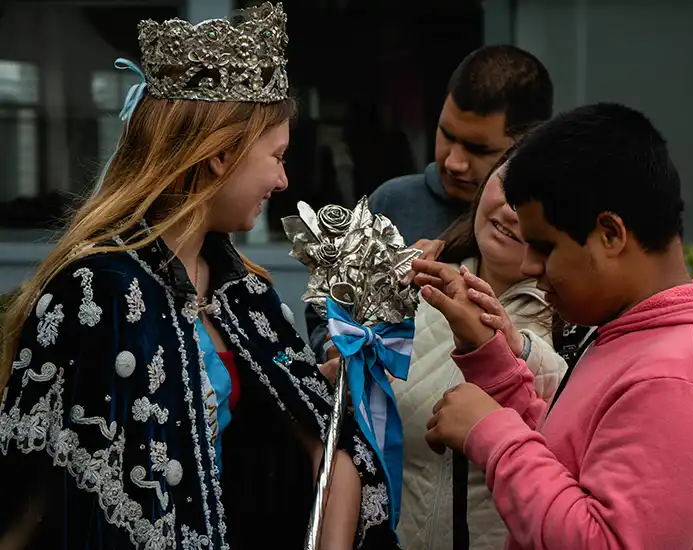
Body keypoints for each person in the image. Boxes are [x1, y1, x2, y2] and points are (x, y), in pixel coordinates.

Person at [0, 4, 397, 549]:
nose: (283, 180)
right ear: (220, 156)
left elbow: (325, 450)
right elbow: (34, 499)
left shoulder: (247, 293)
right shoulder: (97, 292)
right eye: (276, 156)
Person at [414, 103, 693, 550]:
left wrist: (493, 433)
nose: (530, 266)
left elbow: (604, 541)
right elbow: (572, 463)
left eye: (544, 247)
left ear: (610, 234)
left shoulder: (682, 379)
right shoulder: (640, 333)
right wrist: (492, 362)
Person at [307, 44, 555, 362]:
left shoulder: (553, 232)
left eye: (478, 149)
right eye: (447, 135)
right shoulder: (392, 204)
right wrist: (337, 349)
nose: (454, 162)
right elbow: (322, 313)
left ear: (526, 146)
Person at [390, 155, 567, 550]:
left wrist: (513, 348)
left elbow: (567, 433)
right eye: (506, 186)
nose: (510, 208)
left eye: (532, 200)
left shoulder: (580, 321)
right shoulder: (418, 289)